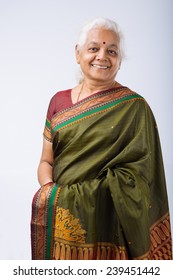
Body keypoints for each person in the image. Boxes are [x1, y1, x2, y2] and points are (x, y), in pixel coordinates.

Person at [31, 17, 172, 260]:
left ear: (120, 60)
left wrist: (93, 195)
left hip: (111, 225)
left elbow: (142, 177)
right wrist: (52, 194)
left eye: (112, 50)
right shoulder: (58, 102)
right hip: (63, 218)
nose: (102, 56)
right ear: (78, 53)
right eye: (94, 48)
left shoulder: (135, 108)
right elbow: (46, 162)